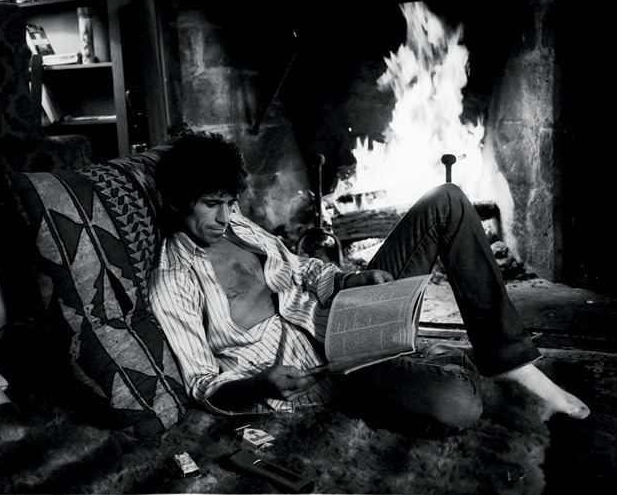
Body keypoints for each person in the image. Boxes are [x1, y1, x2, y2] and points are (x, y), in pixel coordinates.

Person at [148, 132, 589, 435]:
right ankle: (446, 363)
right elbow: (202, 382)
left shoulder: (239, 227)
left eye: (229, 203)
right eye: (212, 205)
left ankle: (511, 361)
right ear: (174, 201)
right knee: (458, 405)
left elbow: (303, 270)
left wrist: (349, 278)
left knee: (446, 201)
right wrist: (260, 384)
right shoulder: (172, 282)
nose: (225, 218)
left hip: (349, 316)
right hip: (334, 375)